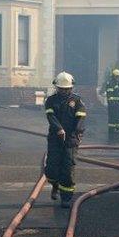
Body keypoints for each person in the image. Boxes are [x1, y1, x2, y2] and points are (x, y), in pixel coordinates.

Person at [44, 71, 86, 208]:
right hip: (55, 139)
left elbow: (81, 118)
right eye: (61, 89)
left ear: (71, 88)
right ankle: (55, 185)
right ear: (56, 88)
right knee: (51, 169)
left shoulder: (77, 101)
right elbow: (51, 117)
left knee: (67, 169)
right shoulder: (50, 100)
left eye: (66, 89)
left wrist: (78, 131)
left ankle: (66, 198)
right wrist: (59, 129)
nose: (64, 91)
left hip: (71, 140)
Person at [104, 68, 119, 141]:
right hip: (112, 104)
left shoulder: (117, 83)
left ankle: (118, 128)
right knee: (113, 116)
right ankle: (112, 129)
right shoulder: (111, 83)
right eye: (117, 76)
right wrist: (112, 102)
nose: (118, 78)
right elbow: (110, 94)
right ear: (114, 76)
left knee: (118, 116)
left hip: (117, 103)